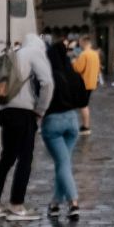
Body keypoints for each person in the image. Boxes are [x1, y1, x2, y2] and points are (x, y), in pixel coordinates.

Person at [0, 34, 54, 221]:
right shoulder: (35, 53)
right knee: (25, 158)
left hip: (5, 110)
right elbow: (47, 83)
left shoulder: (13, 54)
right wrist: (41, 110)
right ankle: (16, 204)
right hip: (24, 111)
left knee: (7, 157)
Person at [41, 39, 87, 218]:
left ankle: (73, 202)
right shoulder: (73, 74)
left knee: (62, 164)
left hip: (53, 122)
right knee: (64, 164)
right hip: (72, 121)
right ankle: (54, 204)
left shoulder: (49, 76)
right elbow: (83, 100)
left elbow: (42, 97)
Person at [72, 36, 101, 134]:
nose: (79, 45)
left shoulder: (84, 54)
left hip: (83, 82)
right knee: (84, 104)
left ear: (84, 43)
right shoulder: (95, 54)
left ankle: (86, 126)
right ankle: (85, 125)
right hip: (91, 82)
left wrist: (74, 62)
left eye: (80, 43)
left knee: (83, 105)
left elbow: (78, 68)